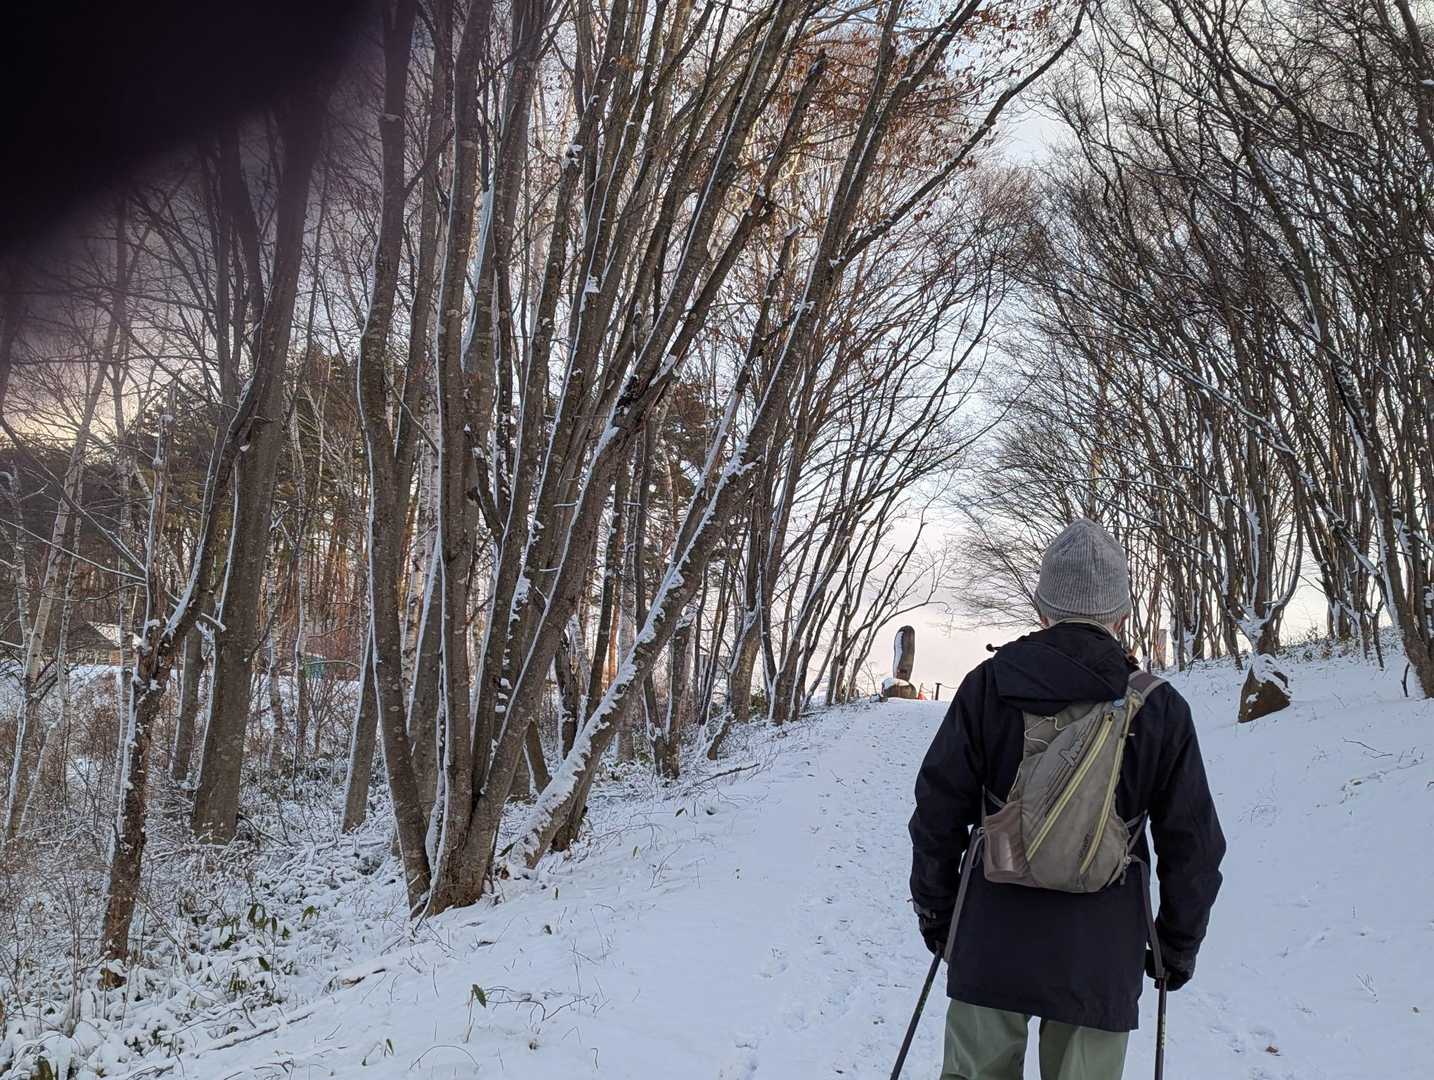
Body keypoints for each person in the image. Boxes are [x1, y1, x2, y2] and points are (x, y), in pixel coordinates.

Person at [908, 518, 1225, 1079]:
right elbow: (1193, 844)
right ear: (1120, 614)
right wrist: (1176, 944)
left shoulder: (987, 686)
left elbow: (937, 810)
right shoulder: (1158, 707)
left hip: (991, 936)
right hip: (1100, 951)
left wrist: (937, 910)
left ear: (1042, 609)